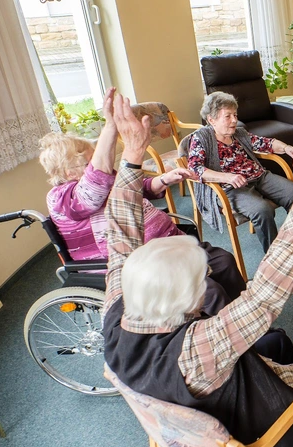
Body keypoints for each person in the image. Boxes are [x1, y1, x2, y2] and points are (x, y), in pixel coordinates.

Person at [103, 98, 293, 447]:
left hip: (177, 427)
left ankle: (281, 379)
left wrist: (131, 155)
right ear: (185, 303)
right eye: (198, 284)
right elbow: (263, 297)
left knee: (275, 344)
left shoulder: (115, 311)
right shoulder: (196, 350)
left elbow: (120, 236)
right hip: (241, 443)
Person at [39, 88, 245, 314]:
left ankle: (242, 315)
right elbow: (94, 188)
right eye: (92, 161)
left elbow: (138, 187)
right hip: (140, 263)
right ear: (69, 172)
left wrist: (163, 180)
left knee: (224, 261)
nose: (103, 166)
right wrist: (111, 126)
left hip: (167, 245)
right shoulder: (61, 199)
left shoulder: (98, 181)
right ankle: (228, 336)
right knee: (209, 292)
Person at [187, 92, 293, 276]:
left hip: (259, 176)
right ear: (211, 119)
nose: (234, 120)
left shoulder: (239, 133)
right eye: (228, 116)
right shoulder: (201, 138)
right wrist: (226, 177)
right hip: (230, 188)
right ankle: (275, 260)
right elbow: (194, 169)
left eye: (235, 115)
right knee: (261, 210)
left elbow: (265, 143)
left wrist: (287, 148)